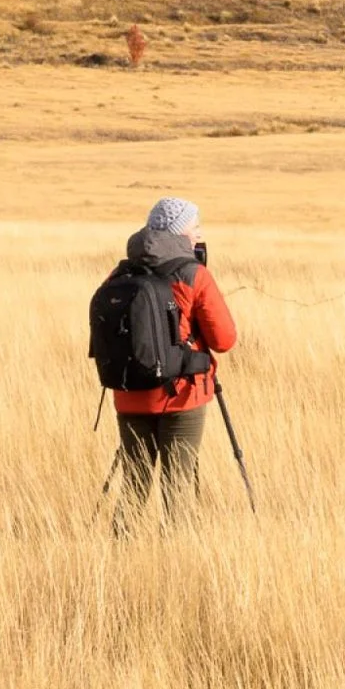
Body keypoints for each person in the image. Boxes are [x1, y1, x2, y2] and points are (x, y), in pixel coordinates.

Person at [104, 197, 237, 533]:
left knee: (134, 481)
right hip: (181, 396)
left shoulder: (121, 272)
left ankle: (120, 553)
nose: (199, 235)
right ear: (180, 233)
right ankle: (177, 560)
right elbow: (224, 339)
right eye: (195, 228)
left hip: (128, 391)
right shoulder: (194, 275)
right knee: (178, 484)